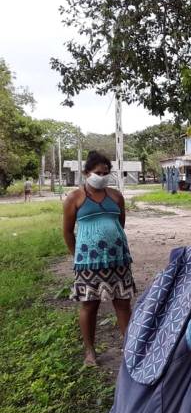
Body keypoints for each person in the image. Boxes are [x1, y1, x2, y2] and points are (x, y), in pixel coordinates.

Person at [62, 151, 134, 366]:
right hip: (88, 263)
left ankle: (129, 348)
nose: (102, 176)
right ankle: (90, 352)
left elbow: (120, 223)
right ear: (86, 173)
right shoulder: (74, 198)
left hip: (118, 260)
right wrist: (78, 256)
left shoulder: (116, 196)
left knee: (122, 304)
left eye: (106, 173)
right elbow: (67, 232)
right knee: (89, 305)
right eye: (97, 172)